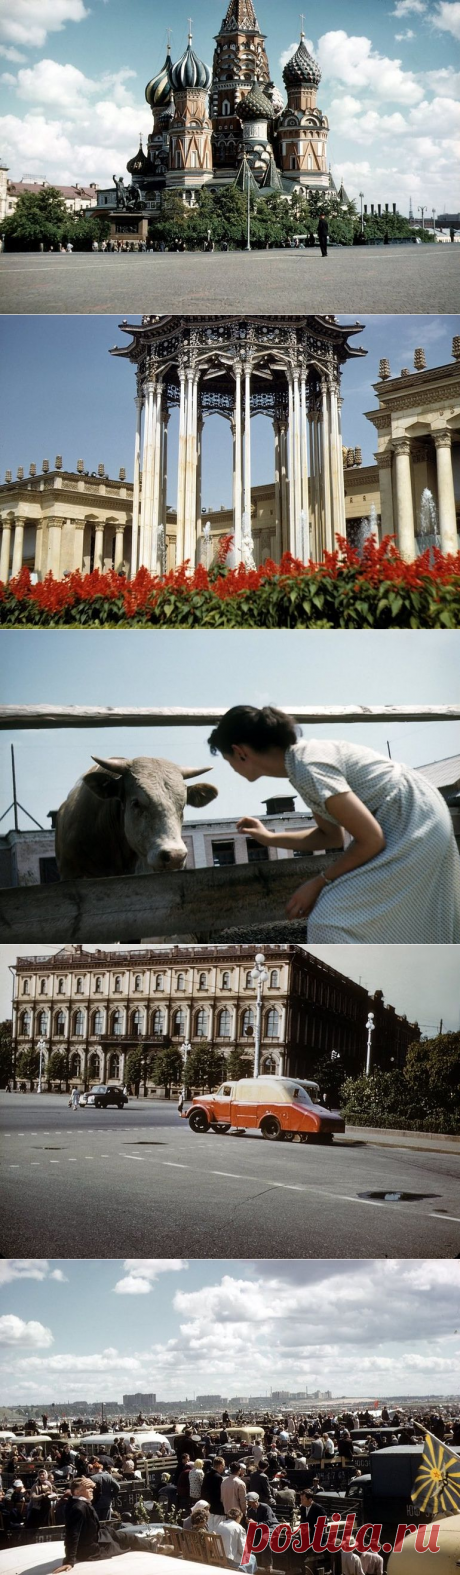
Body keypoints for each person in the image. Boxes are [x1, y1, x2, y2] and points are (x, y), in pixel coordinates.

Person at [208, 705, 460, 942]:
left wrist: (318, 883)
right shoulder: (299, 764)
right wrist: (269, 838)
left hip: (413, 819)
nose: (231, 768)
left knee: (330, 920)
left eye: (228, 760)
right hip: (417, 813)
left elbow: (371, 840)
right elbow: (330, 836)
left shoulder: (308, 767)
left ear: (240, 752)